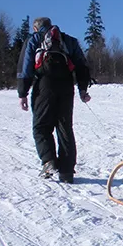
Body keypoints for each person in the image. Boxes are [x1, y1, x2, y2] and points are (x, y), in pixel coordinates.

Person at [17, 17, 91, 183]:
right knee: (64, 127)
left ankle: (49, 160)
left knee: (41, 126)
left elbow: (26, 65)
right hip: (66, 85)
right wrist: (83, 89)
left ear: (36, 28)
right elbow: (81, 64)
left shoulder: (34, 39)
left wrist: (23, 92)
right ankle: (67, 171)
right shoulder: (69, 40)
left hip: (44, 85)